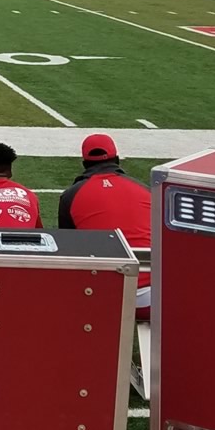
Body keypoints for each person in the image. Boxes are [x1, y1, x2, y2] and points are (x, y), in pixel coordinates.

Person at [59, 134, 151, 314]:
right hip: (152, 297)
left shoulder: (72, 195)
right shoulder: (145, 190)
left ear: (84, 163)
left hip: (101, 297)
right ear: (117, 159)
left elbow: (69, 248)